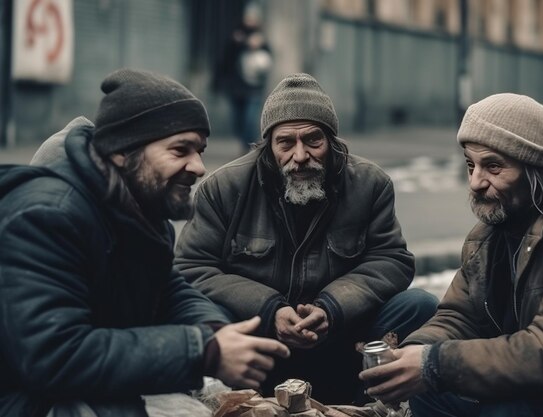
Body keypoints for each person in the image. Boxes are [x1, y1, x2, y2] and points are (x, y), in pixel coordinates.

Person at [0, 68, 289, 417]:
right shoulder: (47, 216)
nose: (198, 167)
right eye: (180, 149)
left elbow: (166, 290)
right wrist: (202, 351)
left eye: (200, 150)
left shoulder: (142, 211)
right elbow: (53, 355)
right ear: (122, 152)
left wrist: (216, 331)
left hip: (85, 390)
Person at [174, 73, 439, 404]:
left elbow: (392, 260)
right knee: (202, 312)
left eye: (313, 140)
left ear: (331, 141)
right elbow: (189, 267)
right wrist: (270, 309)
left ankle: (365, 406)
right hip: (259, 347)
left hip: (342, 340)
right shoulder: (224, 188)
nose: (300, 155)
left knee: (420, 305)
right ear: (268, 147)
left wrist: (331, 308)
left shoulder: (370, 184)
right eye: (286, 142)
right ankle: (239, 405)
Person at [359, 93, 543, 417]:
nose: (475, 182)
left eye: (493, 166)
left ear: (536, 166)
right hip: (534, 381)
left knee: (501, 408)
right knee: (427, 392)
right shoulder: (497, 225)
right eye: (471, 165)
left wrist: (434, 364)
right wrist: (415, 355)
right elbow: (461, 314)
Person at [215, 5, 272, 154]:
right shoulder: (235, 36)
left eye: (254, 18)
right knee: (237, 121)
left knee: (249, 119)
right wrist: (238, 43)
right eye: (249, 17)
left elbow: (267, 60)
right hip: (236, 87)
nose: (251, 21)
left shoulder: (262, 38)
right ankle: (244, 142)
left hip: (253, 88)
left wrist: (260, 44)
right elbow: (226, 60)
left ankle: (248, 147)